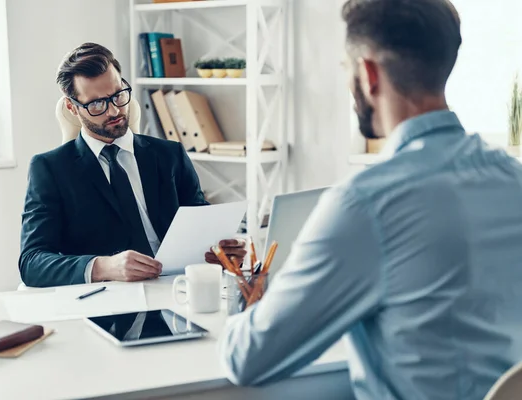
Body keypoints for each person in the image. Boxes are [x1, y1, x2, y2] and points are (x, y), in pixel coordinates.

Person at [218, 1, 522, 399]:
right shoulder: (512, 177)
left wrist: (248, 307)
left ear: (368, 73)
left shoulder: (366, 203)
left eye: (346, 69)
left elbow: (246, 358)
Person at [19, 43, 245, 287]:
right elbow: (32, 262)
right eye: (96, 104)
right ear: (73, 107)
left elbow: (201, 228)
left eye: (118, 95)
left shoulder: (170, 155)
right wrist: (103, 266)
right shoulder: (50, 168)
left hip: (177, 289)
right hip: (110, 302)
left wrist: (223, 250)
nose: (115, 110)